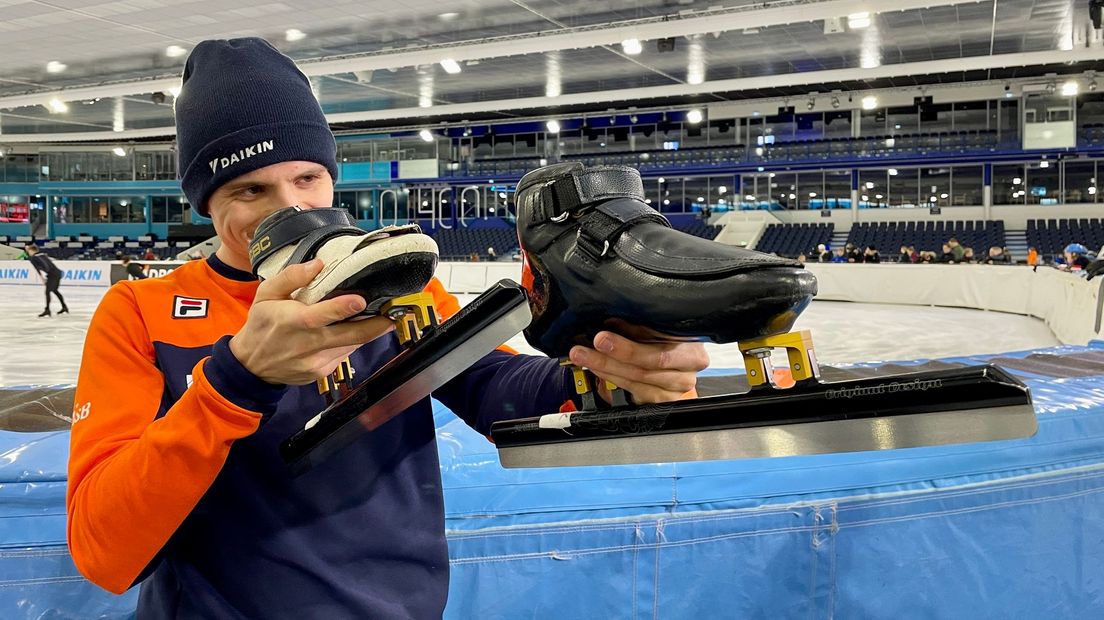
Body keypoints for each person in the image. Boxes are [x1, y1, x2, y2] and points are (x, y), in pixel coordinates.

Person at [66, 37, 707, 619]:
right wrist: (236, 382)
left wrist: (604, 373)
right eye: (249, 191)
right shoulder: (141, 311)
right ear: (205, 201)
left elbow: (489, 384)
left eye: (307, 177)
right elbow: (102, 551)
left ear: (330, 175)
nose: (290, 208)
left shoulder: (392, 281)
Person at [24, 243, 68, 317]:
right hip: (57, 273)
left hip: (52, 275)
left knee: (47, 292)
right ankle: (64, 307)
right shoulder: (42, 254)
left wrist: (43, 277)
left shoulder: (34, 258)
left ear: (31, 251)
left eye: (29, 251)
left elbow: (40, 267)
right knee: (55, 291)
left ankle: (47, 310)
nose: (28, 253)